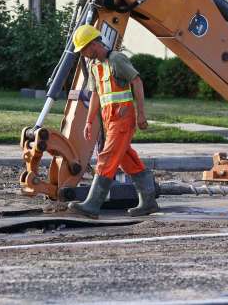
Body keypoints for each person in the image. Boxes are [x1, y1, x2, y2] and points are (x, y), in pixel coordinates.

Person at [67, 24, 159, 219]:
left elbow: (137, 81)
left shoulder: (117, 59)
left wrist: (141, 114)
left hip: (123, 118)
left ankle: (92, 205)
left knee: (107, 157)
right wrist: (89, 122)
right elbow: (96, 95)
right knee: (127, 159)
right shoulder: (94, 66)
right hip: (109, 119)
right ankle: (149, 201)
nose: (83, 54)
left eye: (83, 49)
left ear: (93, 45)